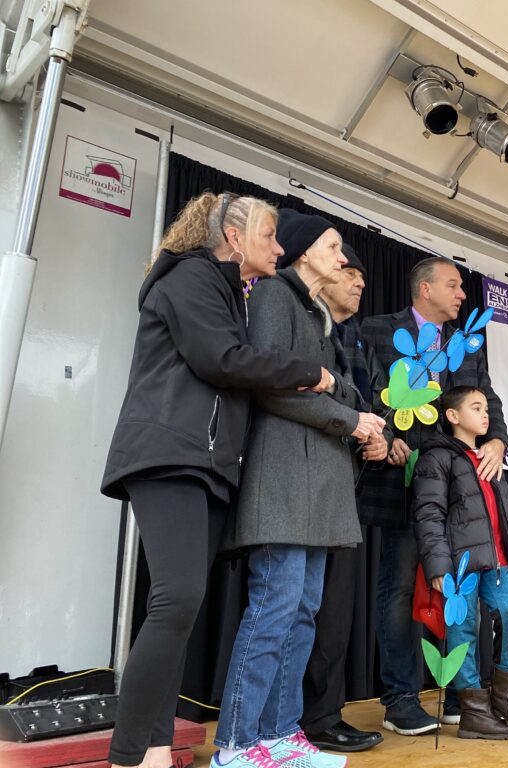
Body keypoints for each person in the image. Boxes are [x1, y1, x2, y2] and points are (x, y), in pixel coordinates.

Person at [101, 193, 334, 768]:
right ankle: (129, 755)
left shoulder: (228, 292)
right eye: (270, 235)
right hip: (168, 457)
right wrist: (310, 373)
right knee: (176, 601)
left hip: (206, 468)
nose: (280, 248)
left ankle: (155, 749)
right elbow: (221, 358)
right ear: (233, 236)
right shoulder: (190, 278)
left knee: (178, 610)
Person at [212, 211, 385, 768]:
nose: (342, 258)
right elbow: (270, 387)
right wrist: (349, 423)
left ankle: (281, 736)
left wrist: (369, 419)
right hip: (283, 486)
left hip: (316, 493)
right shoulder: (272, 299)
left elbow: (333, 392)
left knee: (302, 614)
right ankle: (235, 744)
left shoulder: (316, 316)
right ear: (305, 251)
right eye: (334, 247)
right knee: (272, 612)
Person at [361, 257, 508, 735]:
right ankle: (400, 698)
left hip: (462, 491)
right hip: (401, 482)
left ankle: (459, 692)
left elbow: (489, 398)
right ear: (424, 289)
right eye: (453, 285)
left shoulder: (467, 345)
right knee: (402, 586)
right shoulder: (380, 330)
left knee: (460, 591)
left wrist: (497, 440)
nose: (463, 294)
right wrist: (382, 433)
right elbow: (366, 391)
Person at [300, 242, 389, 753]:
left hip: (347, 489)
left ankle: (323, 717)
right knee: (294, 609)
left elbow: (373, 400)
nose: (358, 282)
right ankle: (285, 721)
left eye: (361, 276)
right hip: (304, 485)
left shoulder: (357, 338)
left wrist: (381, 435)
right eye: (348, 270)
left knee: (334, 612)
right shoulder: (304, 323)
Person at [412, 386, 508, 740]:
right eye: (476, 408)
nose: (486, 415)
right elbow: (429, 514)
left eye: (487, 408)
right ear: (452, 416)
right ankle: (473, 709)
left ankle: (505, 694)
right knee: (463, 628)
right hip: (459, 566)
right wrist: (438, 566)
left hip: (496, 561)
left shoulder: (488, 457)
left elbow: (503, 514)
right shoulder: (436, 458)